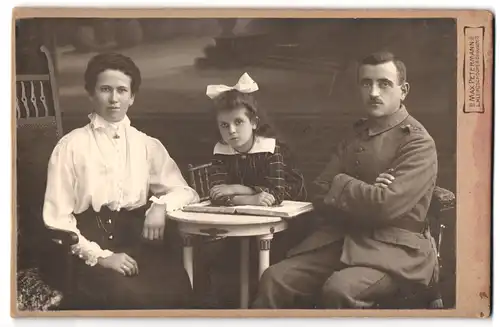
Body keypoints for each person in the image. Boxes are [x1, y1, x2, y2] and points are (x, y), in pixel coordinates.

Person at [251, 51, 439, 309]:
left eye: (384, 84)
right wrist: (366, 189)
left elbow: (385, 205)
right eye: (366, 83)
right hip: (343, 241)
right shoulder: (355, 136)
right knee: (275, 279)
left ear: (403, 90)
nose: (374, 92)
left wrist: (341, 182)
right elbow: (319, 191)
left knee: (340, 289)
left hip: (394, 253)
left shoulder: (418, 142)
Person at [42, 52, 200, 310]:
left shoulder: (146, 145)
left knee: (176, 283)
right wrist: (101, 257)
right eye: (105, 89)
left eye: (122, 90)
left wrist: (159, 206)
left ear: (132, 97)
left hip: (136, 247)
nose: (114, 99)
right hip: (86, 253)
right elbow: (57, 219)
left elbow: (186, 192)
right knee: (124, 295)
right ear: (91, 94)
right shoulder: (70, 146)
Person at [195, 73, 308, 308]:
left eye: (239, 122)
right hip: (244, 221)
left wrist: (237, 189)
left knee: (267, 262)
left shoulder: (271, 148)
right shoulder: (221, 151)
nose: (232, 132)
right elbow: (217, 195)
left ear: (254, 122)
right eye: (224, 126)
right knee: (215, 258)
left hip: (285, 221)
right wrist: (254, 197)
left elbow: (277, 192)